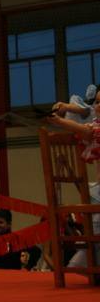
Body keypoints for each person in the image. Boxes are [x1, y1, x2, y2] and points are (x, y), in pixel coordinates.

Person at [47, 88, 100, 273]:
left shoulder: (94, 127)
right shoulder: (94, 120)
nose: (97, 107)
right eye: (97, 102)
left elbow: (88, 130)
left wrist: (61, 121)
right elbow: (88, 124)